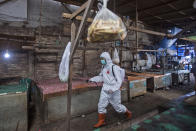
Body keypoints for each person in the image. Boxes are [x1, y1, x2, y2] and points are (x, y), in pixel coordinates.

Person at [89, 52, 132, 128]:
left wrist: (113, 89)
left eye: (103, 59)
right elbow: (101, 77)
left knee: (117, 107)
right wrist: (92, 79)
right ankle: (101, 121)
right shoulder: (103, 67)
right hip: (105, 89)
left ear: (107, 59)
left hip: (114, 91)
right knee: (101, 105)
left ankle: (128, 113)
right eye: (101, 59)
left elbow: (119, 81)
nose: (102, 60)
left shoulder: (113, 67)